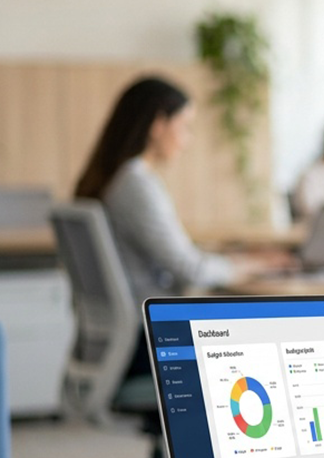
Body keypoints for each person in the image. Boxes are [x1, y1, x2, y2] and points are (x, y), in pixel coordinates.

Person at [74, 76, 285, 373]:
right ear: (158, 124)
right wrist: (253, 264)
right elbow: (190, 268)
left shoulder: (115, 179)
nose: (187, 140)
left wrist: (233, 259)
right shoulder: (135, 184)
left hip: (124, 342)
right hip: (150, 343)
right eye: (184, 126)